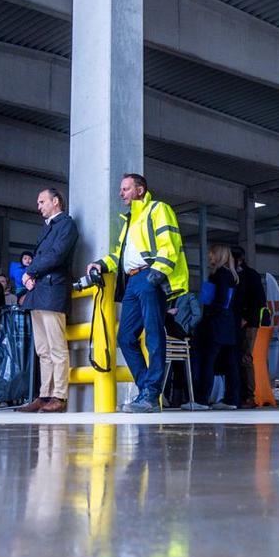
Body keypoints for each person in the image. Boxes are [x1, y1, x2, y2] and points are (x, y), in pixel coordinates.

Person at [84, 173, 187, 414]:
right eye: (121, 189)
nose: (121, 193)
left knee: (153, 335)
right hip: (132, 280)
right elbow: (120, 256)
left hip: (149, 276)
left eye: (126, 189)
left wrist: (156, 275)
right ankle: (147, 392)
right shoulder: (130, 221)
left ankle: (150, 395)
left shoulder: (158, 209)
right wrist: (101, 263)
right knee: (125, 338)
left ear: (140, 190)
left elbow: (169, 244)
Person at [19, 186, 77, 414]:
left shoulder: (66, 225)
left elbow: (56, 255)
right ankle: (44, 395)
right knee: (43, 349)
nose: (39, 206)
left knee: (56, 347)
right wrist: (30, 276)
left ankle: (59, 395)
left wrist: (30, 272)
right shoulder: (49, 227)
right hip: (39, 291)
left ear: (55, 201)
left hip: (53, 290)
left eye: (42, 201)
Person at [194, 245, 243, 409]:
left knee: (208, 361)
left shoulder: (219, 275)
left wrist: (207, 317)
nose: (210, 257)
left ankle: (202, 399)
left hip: (216, 323)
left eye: (212, 254)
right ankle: (232, 399)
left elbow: (218, 300)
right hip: (228, 323)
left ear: (218, 256)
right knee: (231, 363)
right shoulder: (232, 276)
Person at [232, 248, 274, 408]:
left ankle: (249, 396)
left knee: (246, 357)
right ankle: (240, 394)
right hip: (237, 321)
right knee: (238, 357)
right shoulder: (234, 275)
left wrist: (247, 318)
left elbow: (259, 300)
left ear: (239, 260)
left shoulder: (251, 275)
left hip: (249, 323)